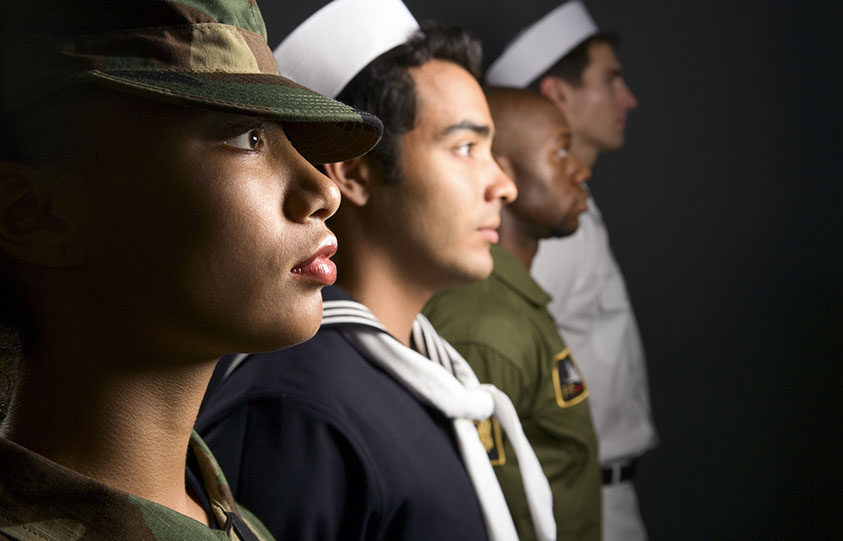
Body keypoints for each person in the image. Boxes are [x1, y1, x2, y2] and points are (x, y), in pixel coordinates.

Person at [0, 0, 382, 538]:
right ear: (37, 216)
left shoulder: (237, 523)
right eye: (245, 137)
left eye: (287, 139)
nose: (323, 191)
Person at [196, 1, 556, 540]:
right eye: (465, 148)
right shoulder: (295, 411)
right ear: (355, 174)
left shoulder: (427, 372)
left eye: (492, 149)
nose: (503, 185)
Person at [486, 2, 658, 539]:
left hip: (599, 493)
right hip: (573, 502)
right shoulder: (546, 231)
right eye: (610, 81)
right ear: (557, 94)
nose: (626, 99)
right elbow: (502, 365)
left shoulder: (575, 212)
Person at [424, 88, 601, 541]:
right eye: (561, 152)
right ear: (499, 171)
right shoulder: (484, 324)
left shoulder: (509, 301)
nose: (580, 170)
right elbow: (489, 511)